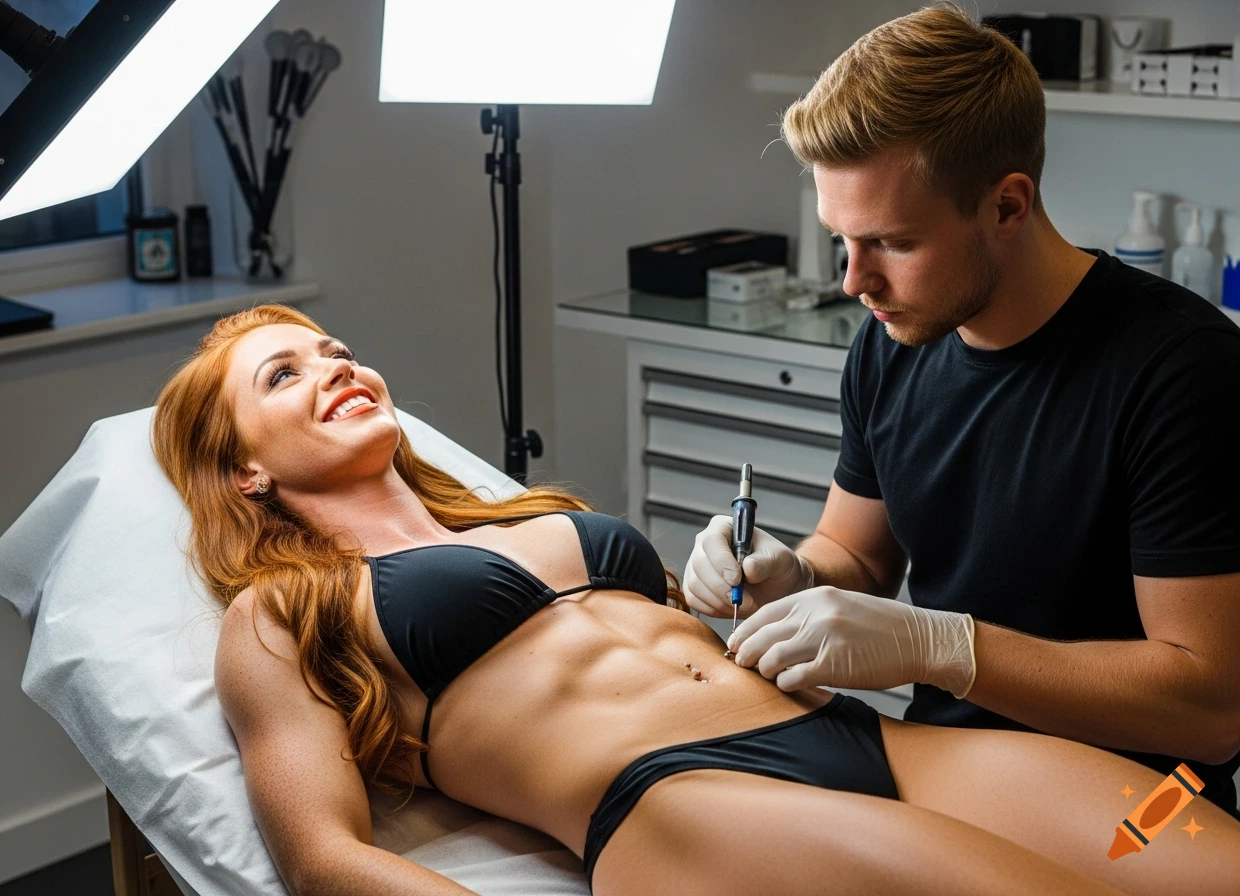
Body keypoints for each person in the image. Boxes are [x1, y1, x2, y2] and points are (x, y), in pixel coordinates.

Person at [149, 303, 1240, 896]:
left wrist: (777, 580)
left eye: (336, 349)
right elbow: (323, 857)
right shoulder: (282, 613)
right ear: (244, 470)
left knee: (1190, 856)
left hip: (856, 735)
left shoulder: (533, 514)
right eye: (284, 375)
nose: (335, 368)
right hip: (684, 806)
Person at [684, 2, 1240, 822]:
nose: (853, 282)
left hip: (1149, 808)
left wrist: (942, 646)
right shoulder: (892, 341)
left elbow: (1212, 711)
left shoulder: (1181, 370)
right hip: (954, 771)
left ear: (1008, 206)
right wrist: (792, 576)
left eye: (892, 243)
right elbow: (856, 553)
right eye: (842, 240)